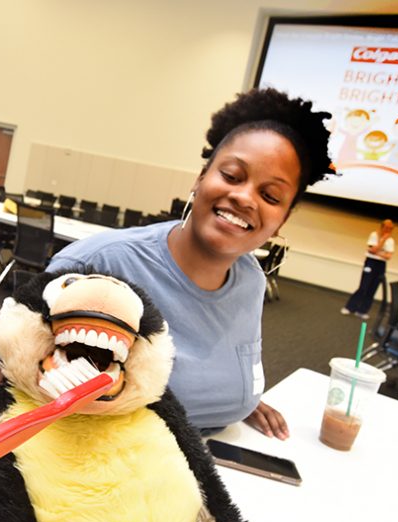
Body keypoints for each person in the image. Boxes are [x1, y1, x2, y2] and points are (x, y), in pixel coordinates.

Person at [47, 87, 335, 439]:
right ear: (200, 178)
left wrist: (242, 398)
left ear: (282, 221)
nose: (244, 197)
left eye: (270, 195)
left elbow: (226, 367)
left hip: (206, 472)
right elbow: (12, 403)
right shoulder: (98, 264)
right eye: (232, 175)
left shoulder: (251, 280)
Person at [341, 218, 395, 319]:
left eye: (391, 229)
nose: (388, 230)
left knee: (373, 288)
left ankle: (362, 311)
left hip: (381, 265)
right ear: (382, 227)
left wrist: (377, 252)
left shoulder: (391, 240)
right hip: (370, 262)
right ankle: (349, 307)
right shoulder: (374, 235)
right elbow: (372, 250)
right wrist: (382, 241)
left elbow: (388, 256)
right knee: (363, 287)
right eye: (387, 228)